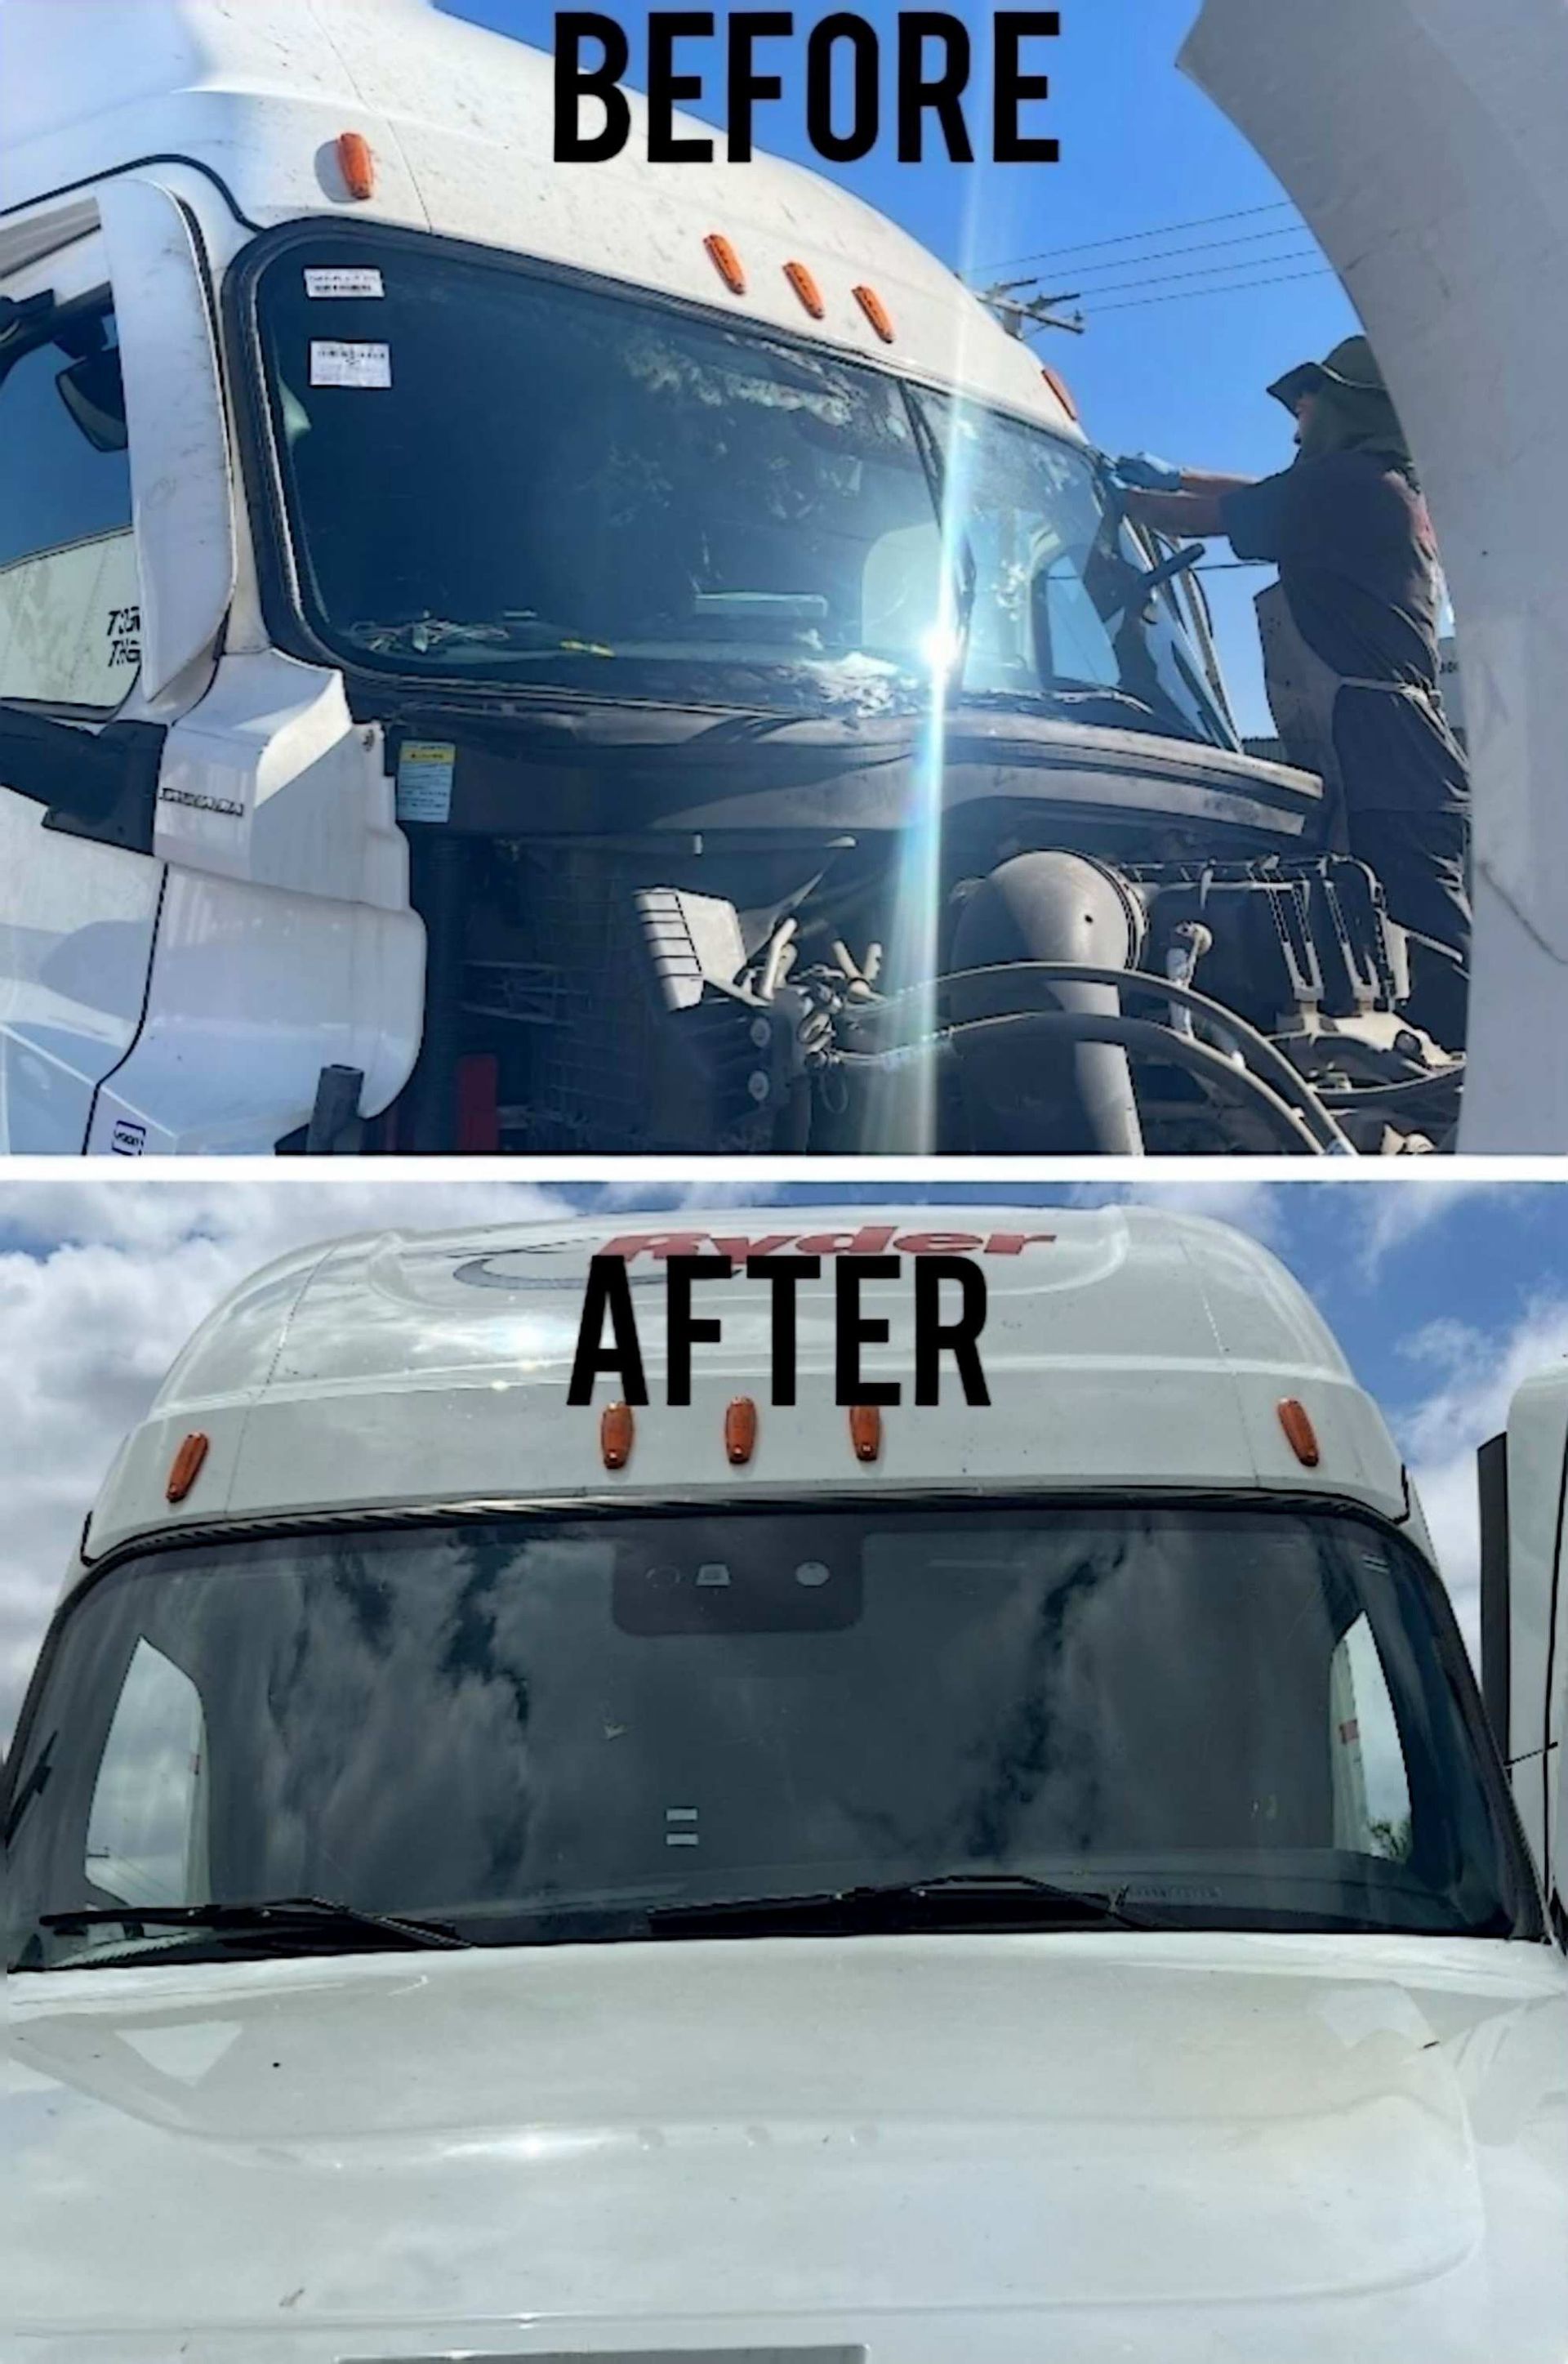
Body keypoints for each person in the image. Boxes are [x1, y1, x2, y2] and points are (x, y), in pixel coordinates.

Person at [1113, 335, 1470, 1046]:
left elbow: (1201, 520)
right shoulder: (1373, 484)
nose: (1296, 420)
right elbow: (1257, 496)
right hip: (1395, 754)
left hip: (1383, 755)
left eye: (1310, 403)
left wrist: (1111, 496)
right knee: (1407, 948)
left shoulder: (1341, 489)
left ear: (1349, 409)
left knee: (1431, 962)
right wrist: (1177, 472)